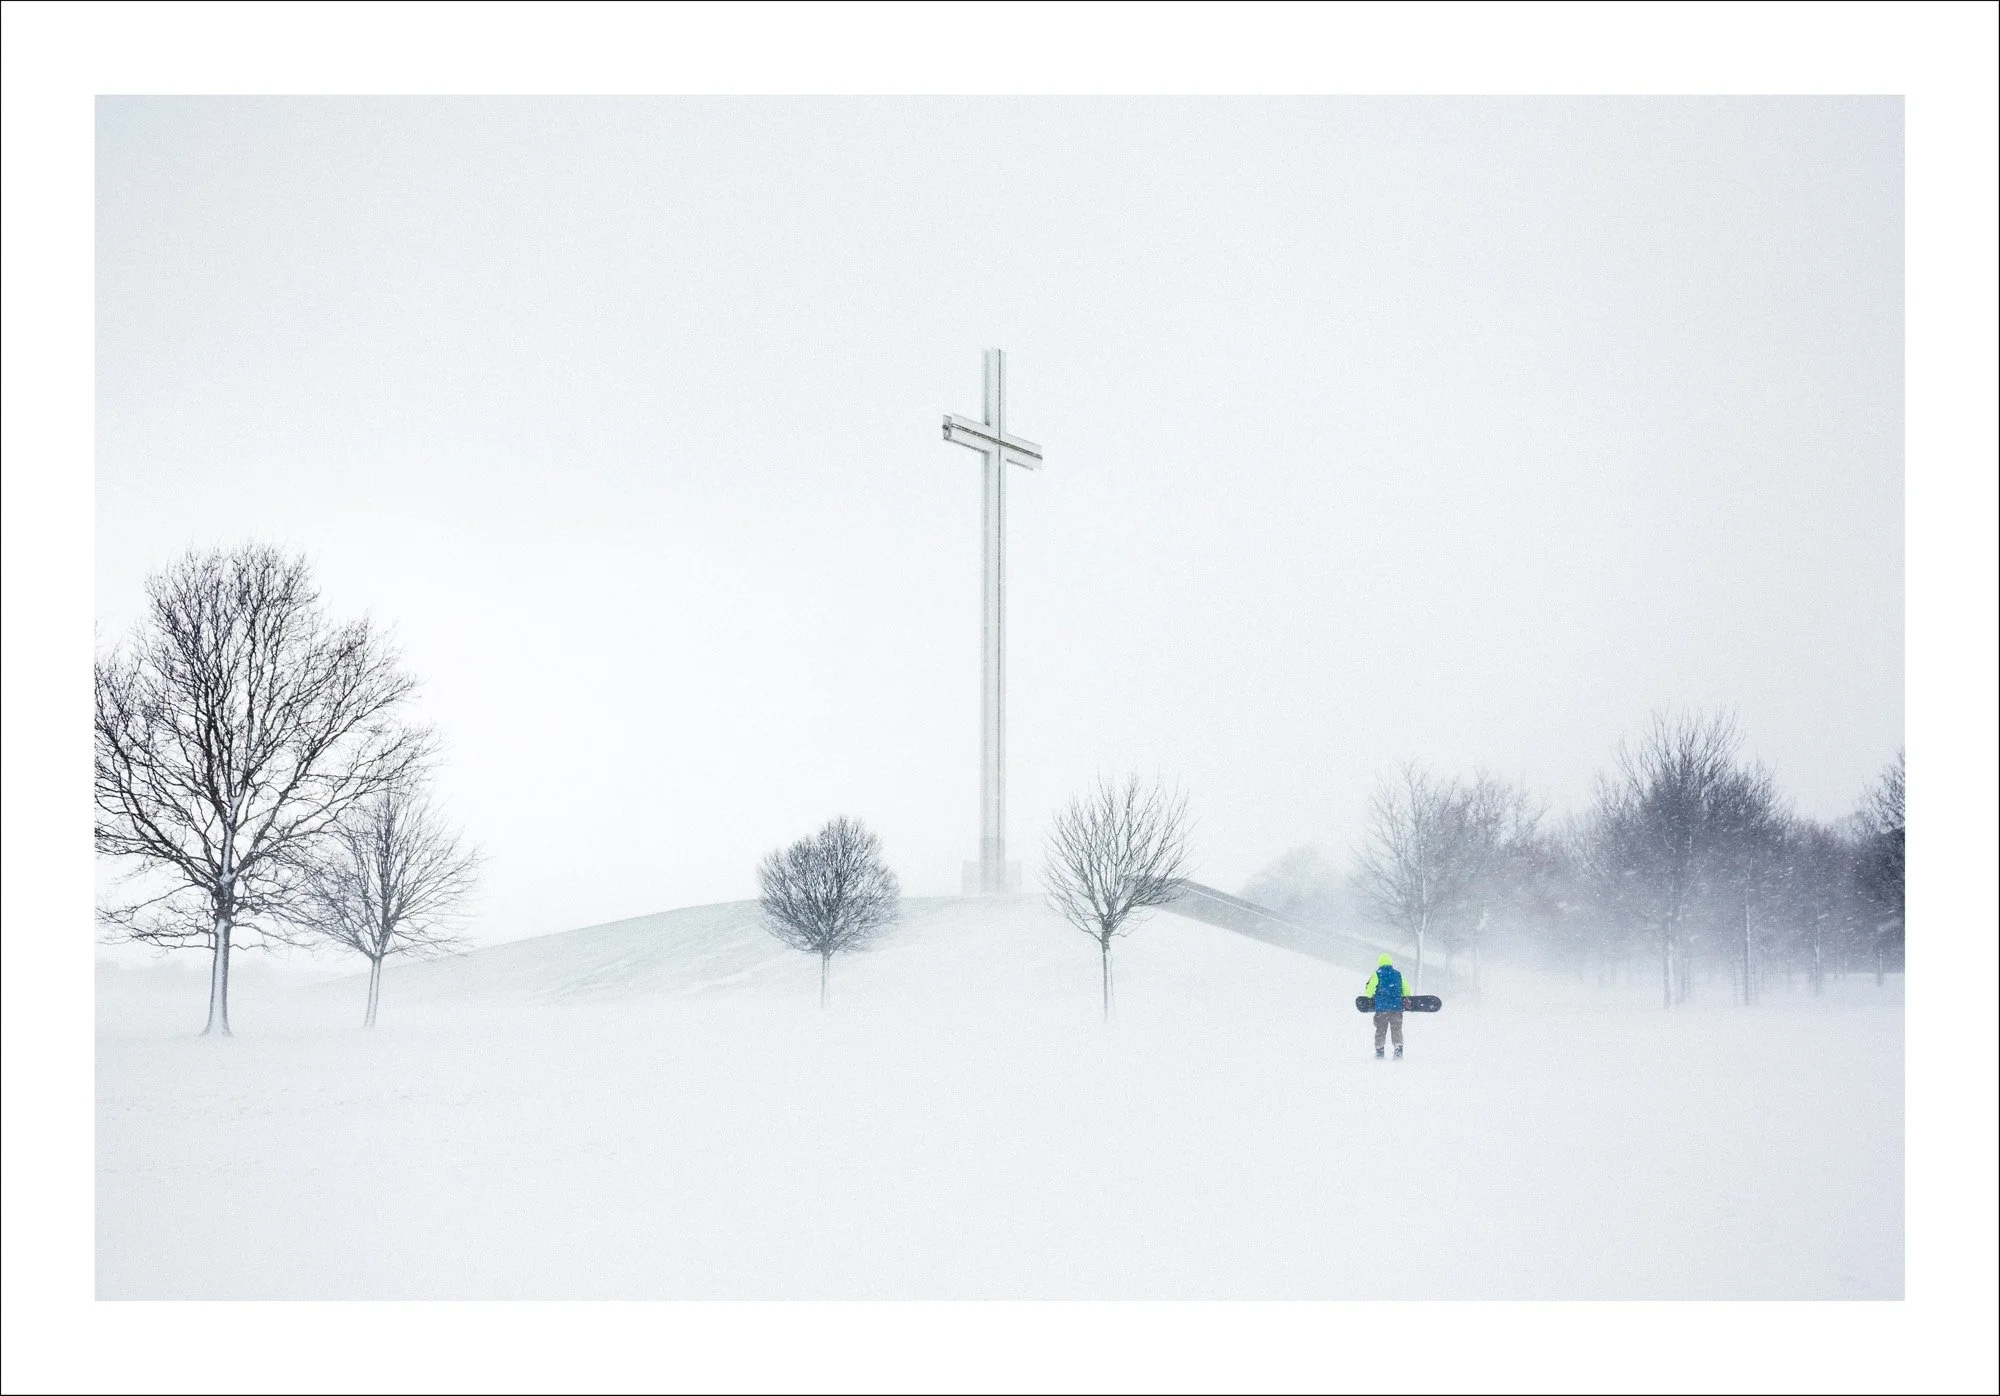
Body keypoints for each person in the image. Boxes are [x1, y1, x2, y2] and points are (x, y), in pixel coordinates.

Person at [1364, 953, 1407, 1059]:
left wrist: (1373, 996)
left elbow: (1369, 992)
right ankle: (1398, 1050)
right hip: (1396, 1008)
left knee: (1381, 1030)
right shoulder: (1398, 974)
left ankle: (1380, 1051)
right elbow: (1407, 990)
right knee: (1396, 1029)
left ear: (1380, 963)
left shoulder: (1377, 974)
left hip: (1382, 1009)